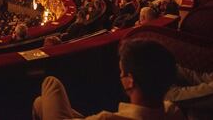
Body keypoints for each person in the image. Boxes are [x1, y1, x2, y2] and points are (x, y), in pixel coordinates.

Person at [32, 39, 186, 120]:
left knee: (50, 83)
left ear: (130, 81)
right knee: (40, 103)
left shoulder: (106, 118)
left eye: (122, 71)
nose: (120, 76)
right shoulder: (173, 112)